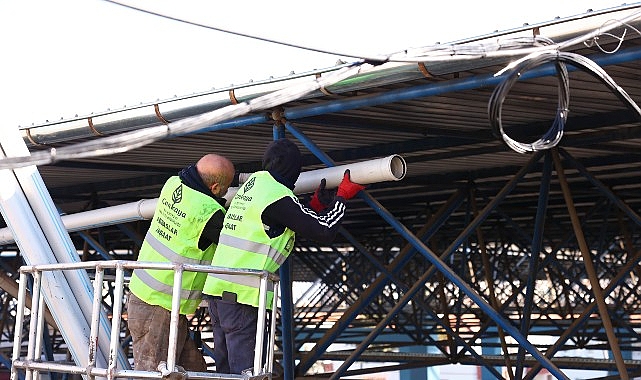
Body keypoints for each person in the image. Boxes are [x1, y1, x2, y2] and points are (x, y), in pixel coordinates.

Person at [202, 138, 365, 374]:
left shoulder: (256, 184)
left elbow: (278, 222)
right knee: (249, 373)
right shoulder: (276, 195)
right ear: (294, 171)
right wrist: (341, 198)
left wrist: (314, 208)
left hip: (219, 294)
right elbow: (324, 231)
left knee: (227, 372)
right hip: (243, 300)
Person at [127, 153, 235, 373]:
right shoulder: (209, 214)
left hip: (147, 295)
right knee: (154, 374)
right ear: (215, 188)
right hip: (160, 304)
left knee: (193, 371)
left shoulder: (173, 184)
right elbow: (236, 242)